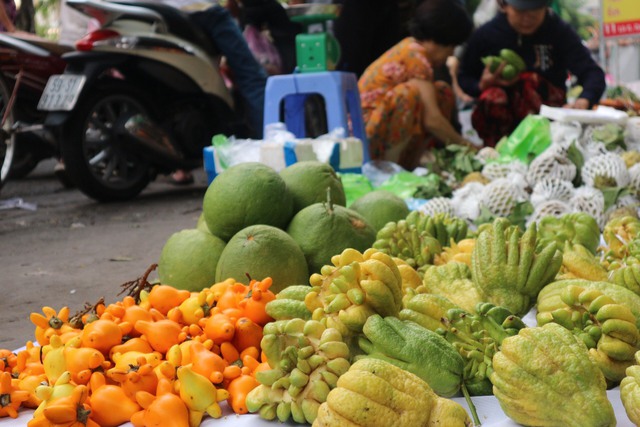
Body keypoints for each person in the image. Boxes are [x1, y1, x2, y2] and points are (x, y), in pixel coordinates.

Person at [457, 0, 606, 147]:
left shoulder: (558, 32)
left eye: (534, 11)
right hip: (500, 129)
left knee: (530, 81)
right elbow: (464, 77)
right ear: (504, 5)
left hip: (548, 126)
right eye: (520, 11)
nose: (527, 18)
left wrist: (584, 100)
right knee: (494, 95)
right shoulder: (486, 35)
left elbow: (593, 73)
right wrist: (481, 85)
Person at [357, 0, 477, 171]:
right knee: (408, 95)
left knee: (442, 92)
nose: (451, 53)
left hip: (380, 129)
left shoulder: (416, 52)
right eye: (452, 46)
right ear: (441, 38)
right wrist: (471, 148)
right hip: (366, 137)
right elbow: (432, 120)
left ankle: (408, 166)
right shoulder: (416, 56)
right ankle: (390, 170)